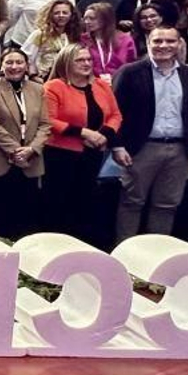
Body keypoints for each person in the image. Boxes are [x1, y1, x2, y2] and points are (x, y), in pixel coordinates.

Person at [113, 26, 188, 242]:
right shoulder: (130, 72)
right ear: (148, 42)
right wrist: (117, 146)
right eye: (158, 41)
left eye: (169, 41)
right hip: (141, 148)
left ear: (179, 44)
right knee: (132, 203)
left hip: (179, 150)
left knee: (166, 205)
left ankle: (157, 256)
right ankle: (124, 256)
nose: (164, 46)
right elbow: (114, 111)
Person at [42, 43, 121, 247]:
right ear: (67, 62)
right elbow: (49, 120)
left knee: (85, 202)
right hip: (61, 154)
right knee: (59, 202)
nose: (86, 64)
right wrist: (83, 132)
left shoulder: (101, 86)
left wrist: (103, 135)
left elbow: (115, 115)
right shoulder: (54, 86)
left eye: (88, 59)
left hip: (93, 153)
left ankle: (80, 246)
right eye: (80, 60)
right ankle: (55, 246)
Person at [0, 48, 49, 239]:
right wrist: (16, 151)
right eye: (9, 62)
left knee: (23, 222)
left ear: (26, 66)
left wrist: (32, 149)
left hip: (29, 161)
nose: (14, 66)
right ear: (1, 65)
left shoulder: (38, 89)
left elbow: (45, 124)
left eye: (19, 62)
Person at [23, 0, 78, 81]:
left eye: (65, 13)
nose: (61, 15)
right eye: (57, 13)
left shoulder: (74, 35)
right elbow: (26, 57)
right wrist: (34, 76)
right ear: (50, 15)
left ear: (71, 15)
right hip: (43, 79)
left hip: (68, 78)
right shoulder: (39, 34)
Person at [81, 2, 135, 83]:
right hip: (91, 83)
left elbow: (131, 67)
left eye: (92, 18)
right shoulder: (83, 40)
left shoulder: (125, 40)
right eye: (85, 18)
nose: (87, 22)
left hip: (120, 84)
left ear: (105, 19)